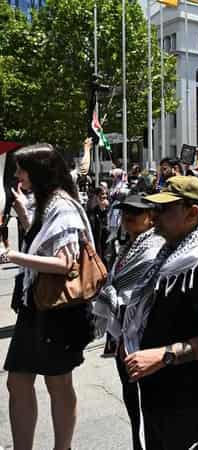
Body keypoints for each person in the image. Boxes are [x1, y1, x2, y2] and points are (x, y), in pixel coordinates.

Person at [122, 176, 198, 449]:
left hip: (189, 399)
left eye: (164, 209)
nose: (154, 215)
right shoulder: (170, 254)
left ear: (192, 213)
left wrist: (164, 356)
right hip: (158, 391)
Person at [2, 144, 97, 450]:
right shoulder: (46, 203)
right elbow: (44, 244)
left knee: (58, 383)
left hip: (57, 310)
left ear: (39, 172)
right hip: (38, 306)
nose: (17, 175)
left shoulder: (62, 207)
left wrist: (11, 255)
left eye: (21, 169)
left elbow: (64, 263)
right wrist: (21, 212)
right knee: (17, 382)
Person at [92, 195, 165, 450]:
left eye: (136, 212)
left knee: (146, 401)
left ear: (151, 216)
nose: (128, 217)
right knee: (132, 400)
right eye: (124, 212)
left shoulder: (154, 247)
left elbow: (139, 291)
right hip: (123, 331)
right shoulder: (127, 246)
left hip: (142, 334)